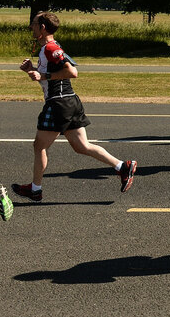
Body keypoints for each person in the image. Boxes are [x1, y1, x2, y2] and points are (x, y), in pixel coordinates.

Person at [12, 12, 137, 201]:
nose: (31, 27)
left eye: (34, 24)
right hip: (68, 101)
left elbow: (72, 72)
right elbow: (53, 73)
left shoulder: (51, 48)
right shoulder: (49, 48)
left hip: (59, 103)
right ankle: (122, 166)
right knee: (81, 146)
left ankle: (35, 189)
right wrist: (33, 70)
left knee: (39, 146)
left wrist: (43, 76)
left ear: (43, 27)